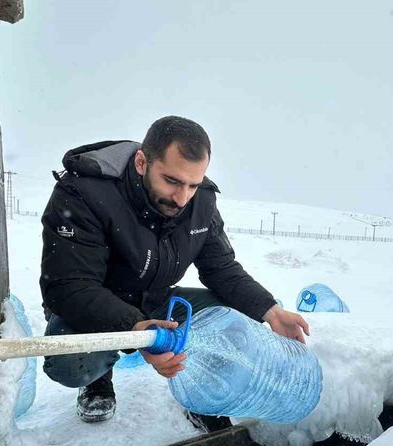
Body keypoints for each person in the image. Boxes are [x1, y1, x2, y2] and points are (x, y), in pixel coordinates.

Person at [39, 115, 309, 427]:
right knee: (70, 362)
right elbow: (69, 286)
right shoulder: (84, 192)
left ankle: (202, 394)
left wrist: (271, 311)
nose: (182, 198)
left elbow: (220, 267)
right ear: (142, 163)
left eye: (193, 185)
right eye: (172, 181)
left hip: (156, 300)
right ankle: (99, 378)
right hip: (96, 309)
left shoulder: (201, 201)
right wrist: (139, 332)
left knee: (236, 318)